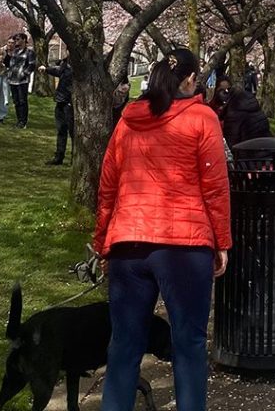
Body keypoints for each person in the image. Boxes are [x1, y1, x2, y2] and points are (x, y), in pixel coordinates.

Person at [95, 49, 229, 411]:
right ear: (188, 79)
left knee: (123, 346)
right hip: (183, 247)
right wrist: (222, 241)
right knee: (188, 344)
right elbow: (214, 186)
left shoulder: (128, 119)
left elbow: (108, 184)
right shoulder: (202, 118)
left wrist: (102, 242)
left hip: (129, 243)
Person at [2, 32, 35, 128]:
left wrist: (24, 73)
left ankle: (23, 121)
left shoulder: (29, 52)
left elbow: (32, 65)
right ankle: (19, 120)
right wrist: (8, 53)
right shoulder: (14, 51)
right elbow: (7, 63)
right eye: (15, 39)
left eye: (18, 39)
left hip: (22, 80)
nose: (16, 41)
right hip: (12, 79)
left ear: (24, 40)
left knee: (22, 101)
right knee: (16, 101)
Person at [45, 58, 74, 166]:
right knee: (61, 130)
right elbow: (58, 72)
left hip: (71, 102)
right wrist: (47, 69)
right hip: (60, 100)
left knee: (73, 132)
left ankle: (74, 158)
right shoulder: (65, 64)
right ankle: (59, 157)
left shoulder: (80, 65)